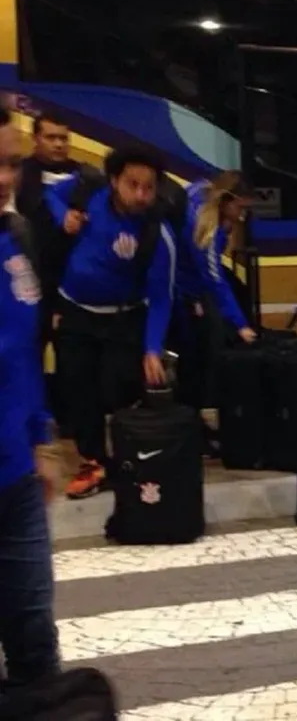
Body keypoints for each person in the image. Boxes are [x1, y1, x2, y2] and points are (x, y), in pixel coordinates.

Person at [45, 145, 176, 500]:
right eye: (133, 184)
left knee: (118, 389)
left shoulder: (157, 233)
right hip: (74, 311)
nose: (141, 195)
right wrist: (63, 216)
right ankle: (93, 462)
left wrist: (152, 348)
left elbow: (161, 296)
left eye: (149, 187)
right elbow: (49, 194)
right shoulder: (87, 189)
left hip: (123, 318)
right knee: (77, 389)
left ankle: (129, 461)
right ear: (114, 181)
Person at [0, 116, 61, 695]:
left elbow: (23, 352)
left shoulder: (16, 238)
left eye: (12, 163)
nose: (3, 178)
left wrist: (41, 438)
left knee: (36, 642)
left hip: (16, 478)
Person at [171, 171, 257, 425]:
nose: (242, 216)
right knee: (197, 356)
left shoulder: (199, 190)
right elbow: (214, 279)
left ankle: (191, 417)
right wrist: (240, 325)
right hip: (182, 290)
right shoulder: (207, 232)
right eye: (240, 208)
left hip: (180, 282)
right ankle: (192, 419)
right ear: (226, 200)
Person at [14, 114, 79, 419]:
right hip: (31, 278)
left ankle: (69, 418)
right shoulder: (19, 173)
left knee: (71, 354)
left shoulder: (84, 175)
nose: (58, 144)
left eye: (63, 138)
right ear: (35, 138)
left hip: (71, 281)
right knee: (30, 348)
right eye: (51, 137)